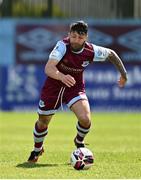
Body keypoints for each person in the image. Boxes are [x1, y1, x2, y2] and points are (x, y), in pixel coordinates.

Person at [28, 21, 127, 163]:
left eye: (80, 38)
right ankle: (37, 150)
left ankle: (79, 141)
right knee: (43, 122)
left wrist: (123, 74)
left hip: (74, 87)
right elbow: (48, 68)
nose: (75, 40)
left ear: (86, 37)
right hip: (53, 87)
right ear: (69, 35)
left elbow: (111, 54)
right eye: (73, 36)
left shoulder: (91, 51)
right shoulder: (62, 46)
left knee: (86, 119)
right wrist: (62, 76)